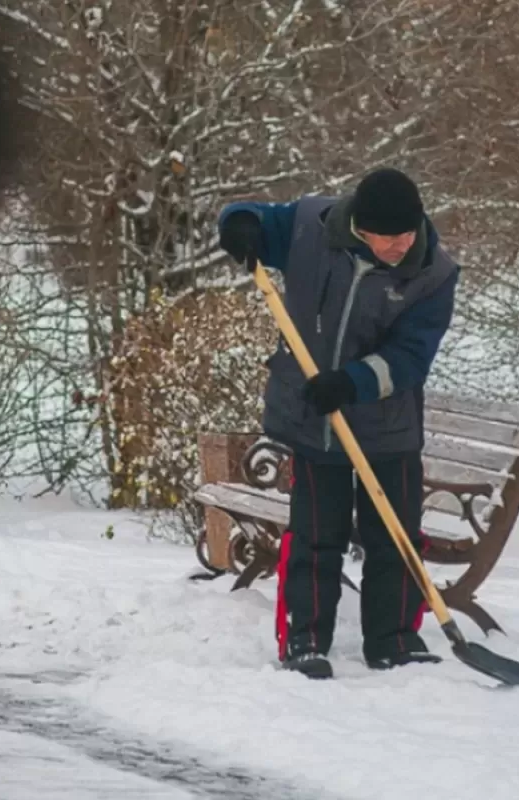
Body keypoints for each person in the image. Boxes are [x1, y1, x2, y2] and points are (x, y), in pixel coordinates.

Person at [216, 167, 459, 679]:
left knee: (393, 535)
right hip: (313, 420)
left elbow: (412, 356)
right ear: (359, 229)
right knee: (314, 535)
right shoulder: (311, 226)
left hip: (388, 425)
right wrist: (238, 225)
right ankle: (305, 638)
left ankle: (393, 639)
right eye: (388, 237)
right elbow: (253, 218)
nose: (400, 246)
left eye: (407, 233)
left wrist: (351, 383)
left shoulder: (433, 274)